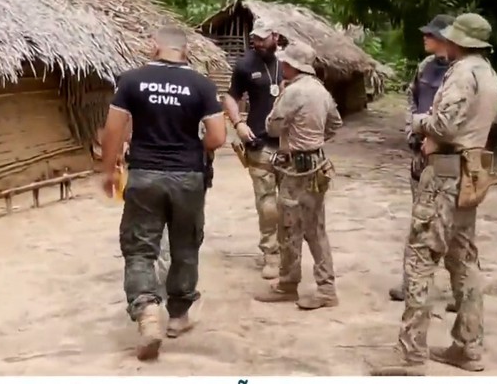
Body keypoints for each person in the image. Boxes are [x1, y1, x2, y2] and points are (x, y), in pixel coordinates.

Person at [367, 13, 497, 376]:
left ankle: (410, 353)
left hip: (445, 173)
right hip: (471, 170)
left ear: (460, 41)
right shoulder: (488, 73)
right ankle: (468, 346)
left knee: (420, 259)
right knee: (464, 260)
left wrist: (419, 123)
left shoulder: (462, 73)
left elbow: (443, 124)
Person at [100, 25, 227, 361]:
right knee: (185, 244)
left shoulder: (131, 81)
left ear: (155, 47)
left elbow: (113, 129)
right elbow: (217, 137)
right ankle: (180, 315)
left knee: (140, 247)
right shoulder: (202, 84)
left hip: (144, 175)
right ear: (185, 51)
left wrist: (109, 170)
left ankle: (147, 313)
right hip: (188, 177)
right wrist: (192, 148)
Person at [252, 41, 343, 310]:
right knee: (316, 228)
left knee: (290, 225)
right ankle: (325, 285)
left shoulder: (293, 92)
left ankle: (289, 282)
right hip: (316, 162)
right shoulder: (321, 91)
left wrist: (295, 139)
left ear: (291, 65)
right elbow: (335, 123)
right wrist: (315, 140)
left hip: (296, 167)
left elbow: (272, 126)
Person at [389, 14, 455, 302]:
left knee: (452, 225)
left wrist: (435, 137)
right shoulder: (426, 67)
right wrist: (411, 131)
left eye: (431, 34)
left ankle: (458, 292)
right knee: (420, 219)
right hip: (421, 154)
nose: (425, 37)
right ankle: (410, 282)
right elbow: (411, 98)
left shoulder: (461, 72)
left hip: (448, 156)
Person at [222, 19, 283, 279]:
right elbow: (230, 96)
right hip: (259, 142)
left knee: (292, 203)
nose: (257, 42)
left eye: (262, 38)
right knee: (267, 203)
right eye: (255, 38)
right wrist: (238, 123)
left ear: (276, 37)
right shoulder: (245, 65)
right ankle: (271, 253)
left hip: (291, 145)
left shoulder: (289, 64)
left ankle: (290, 253)